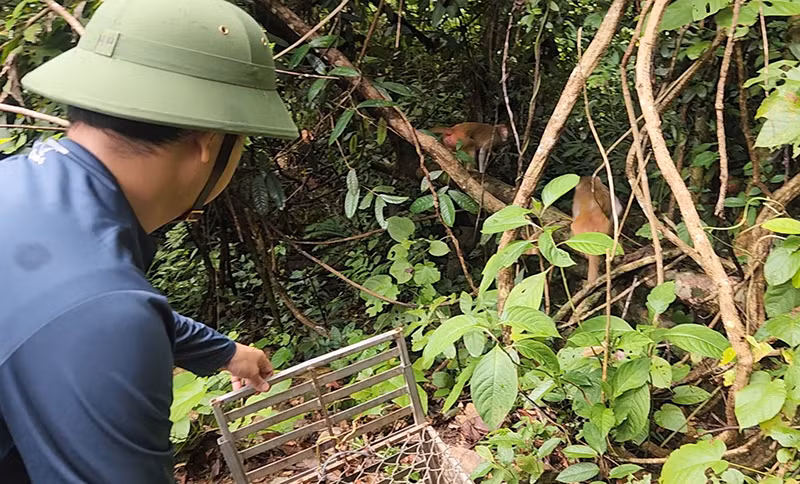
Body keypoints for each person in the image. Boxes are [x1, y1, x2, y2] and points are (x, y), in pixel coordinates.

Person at [0, 0, 299, 481]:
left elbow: (70, 309)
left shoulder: (22, 189)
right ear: (208, 140)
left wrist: (224, 352)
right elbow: (96, 316)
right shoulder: (100, 310)